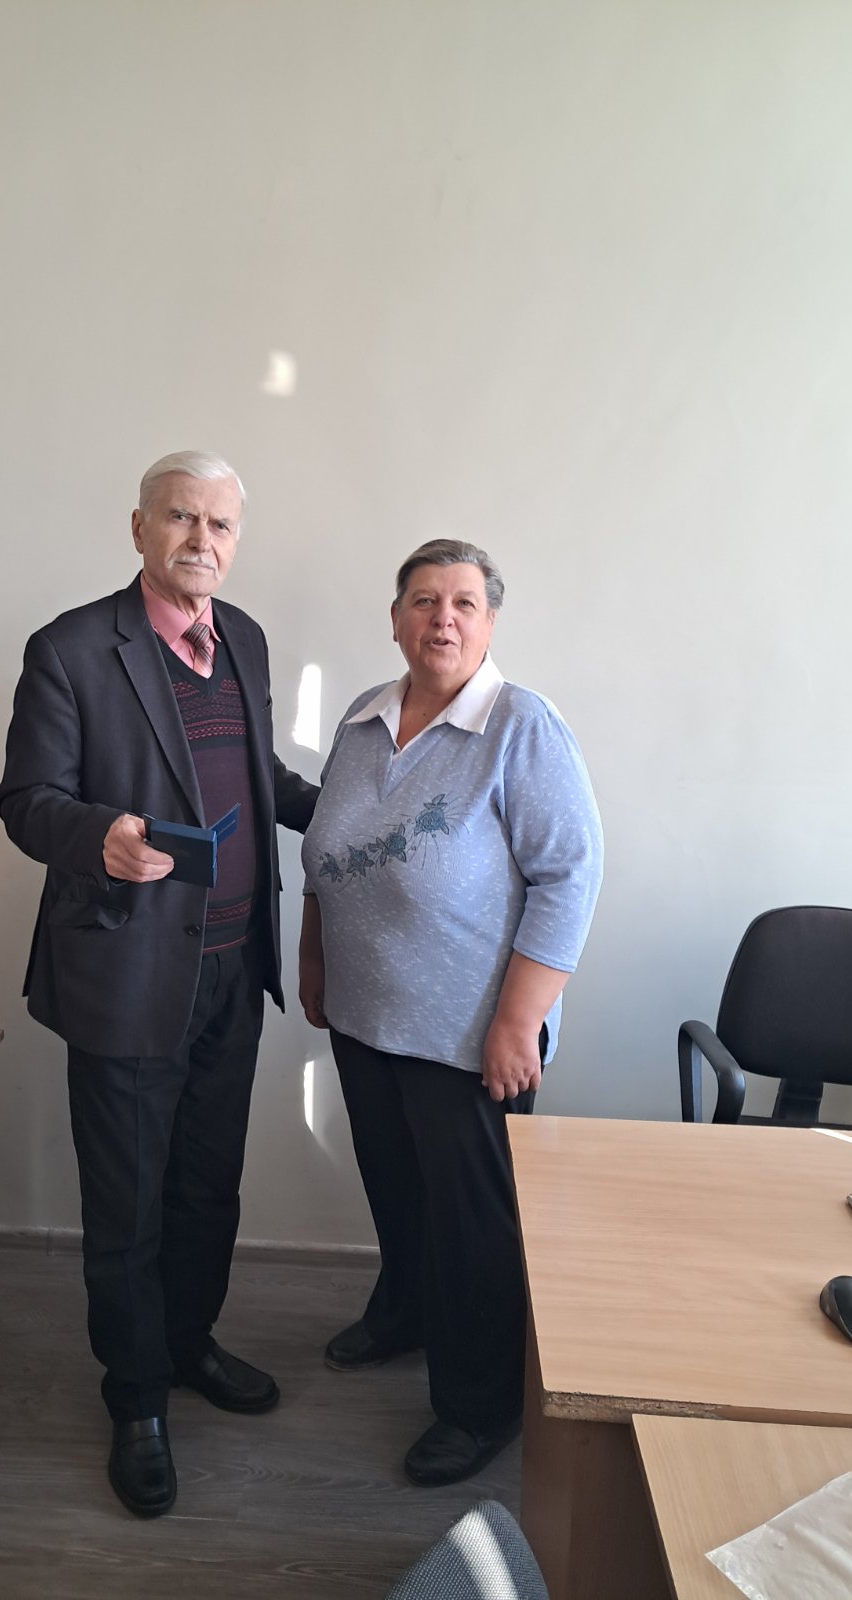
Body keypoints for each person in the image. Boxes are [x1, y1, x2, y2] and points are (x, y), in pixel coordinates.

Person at [0, 451, 317, 1518]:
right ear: (139, 527)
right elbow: (26, 800)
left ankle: (188, 1344)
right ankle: (134, 1399)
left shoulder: (247, 640)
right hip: (128, 973)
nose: (201, 541)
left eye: (220, 525)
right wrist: (101, 835)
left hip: (234, 966)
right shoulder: (71, 649)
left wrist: (355, 812)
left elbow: (260, 779)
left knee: (208, 1185)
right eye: (182, 517)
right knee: (127, 1204)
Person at [298, 538, 602, 1487]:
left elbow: (570, 878)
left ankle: (480, 1406)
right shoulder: (363, 716)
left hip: (468, 1034)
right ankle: (406, 1314)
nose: (443, 618)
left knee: (473, 1223)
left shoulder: (522, 727)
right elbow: (327, 855)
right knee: (397, 1189)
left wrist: (516, 1024)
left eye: (464, 602)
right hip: (366, 1016)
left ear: (489, 621)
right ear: (396, 619)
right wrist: (314, 957)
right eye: (424, 600)